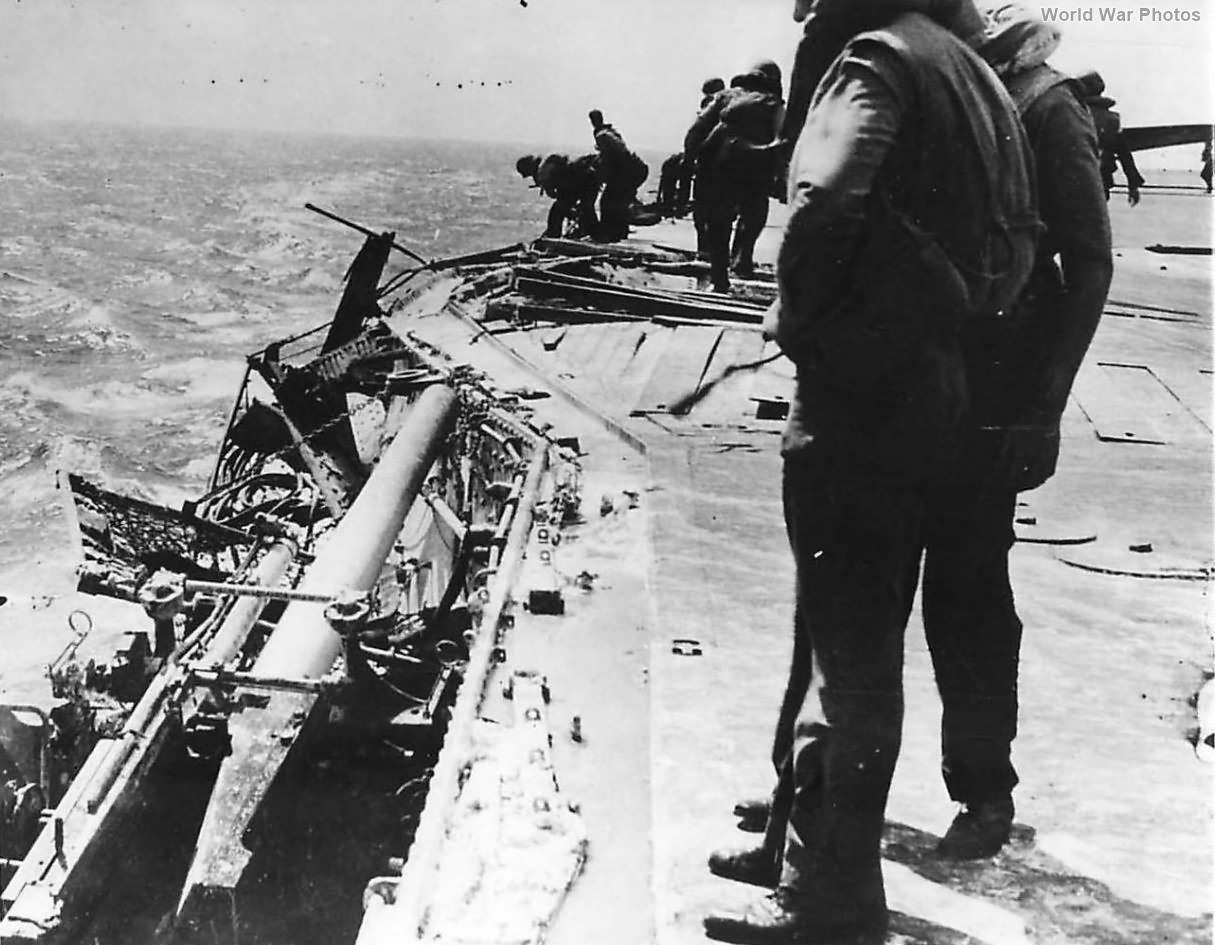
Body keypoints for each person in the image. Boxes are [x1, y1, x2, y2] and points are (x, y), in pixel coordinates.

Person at [702, 0, 1039, 940]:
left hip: (861, 394)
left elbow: (822, 196)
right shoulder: (969, 69)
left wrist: (804, 319)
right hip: (932, 386)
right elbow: (1017, 240)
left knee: (847, 653)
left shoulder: (875, 59)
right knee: (842, 637)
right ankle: (793, 844)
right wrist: (951, 314)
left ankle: (831, 899)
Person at [684, 60, 785, 292]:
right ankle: (742, 258)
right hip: (757, 169)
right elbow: (784, 141)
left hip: (721, 167)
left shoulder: (725, 97)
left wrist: (691, 161)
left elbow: (696, 131)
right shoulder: (774, 103)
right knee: (755, 211)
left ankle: (719, 279)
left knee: (718, 222)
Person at [1076, 70, 1143, 205]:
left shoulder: (1074, 115)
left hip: (1075, 178)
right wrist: (1133, 185)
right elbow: (1125, 154)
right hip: (1102, 179)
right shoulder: (1112, 120)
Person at [588, 109, 649, 241]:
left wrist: (603, 171)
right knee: (618, 202)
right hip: (633, 169)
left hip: (627, 171)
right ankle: (619, 232)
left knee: (607, 202)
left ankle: (609, 234)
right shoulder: (610, 132)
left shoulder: (602, 135)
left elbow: (615, 155)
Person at [515, 152, 601, 239]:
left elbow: (552, 193)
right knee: (585, 208)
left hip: (581, 182)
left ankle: (554, 236)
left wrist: (546, 185)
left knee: (557, 213)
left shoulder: (543, 171)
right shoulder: (546, 163)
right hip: (588, 179)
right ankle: (593, 233)